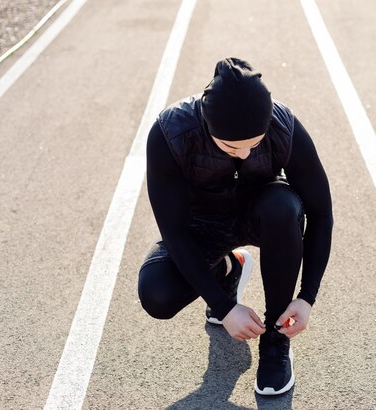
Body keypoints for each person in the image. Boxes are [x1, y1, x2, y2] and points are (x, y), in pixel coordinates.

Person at [138, 57, 333, 396]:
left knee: (284, 206)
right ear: (206, 123)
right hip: (201, 227)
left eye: (254, 144)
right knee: (157, 295)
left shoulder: (283, 126)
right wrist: (224, 306)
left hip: (262, 217)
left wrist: (306, 297)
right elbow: (174, 231)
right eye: (231, 147)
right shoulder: (170, 133)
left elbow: (321, 213)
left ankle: (275, 341)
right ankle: (228, 270)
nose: (244, 154)